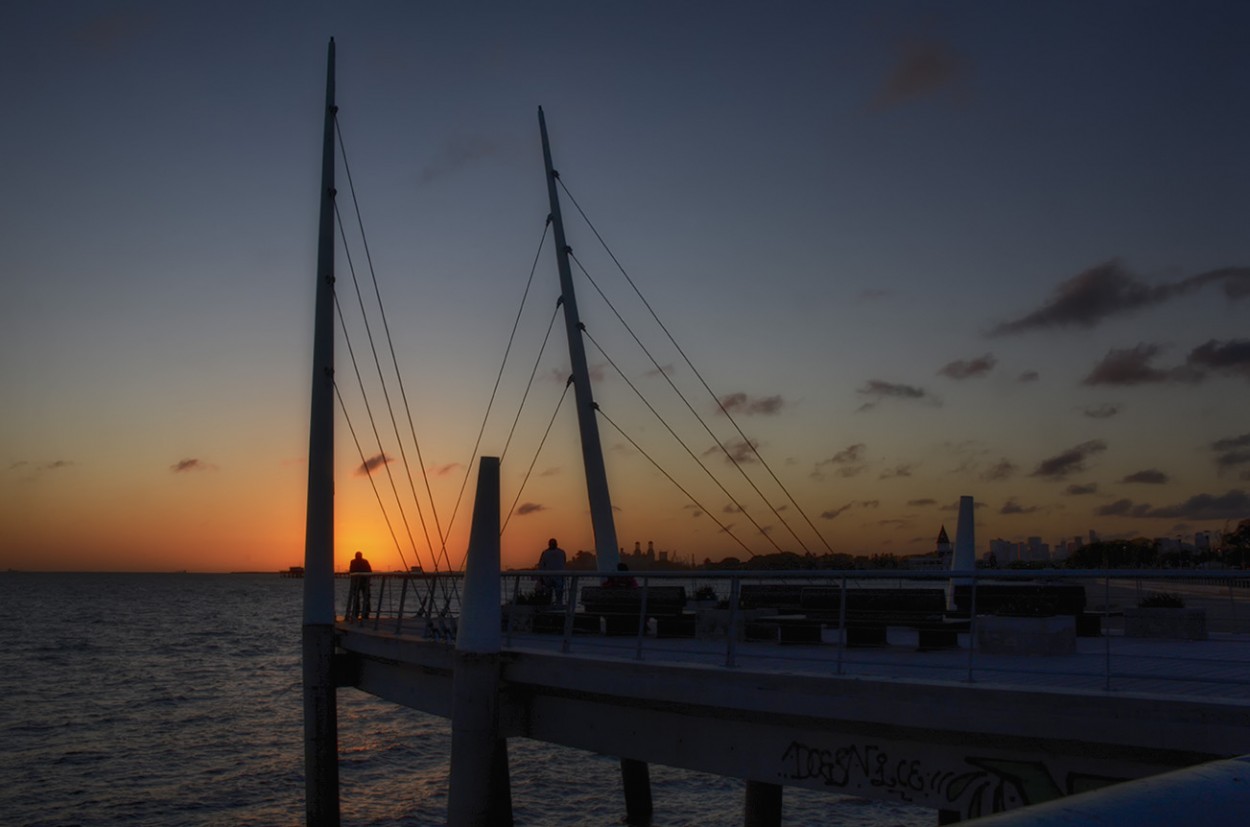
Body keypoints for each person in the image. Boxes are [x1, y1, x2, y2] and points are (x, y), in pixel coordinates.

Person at [537, 538, 566, 605]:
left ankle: (553, 605)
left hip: (554, 577)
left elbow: (541, 565)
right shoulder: (561, 552)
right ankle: (556, 605)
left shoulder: (545, 553)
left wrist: (540, 577)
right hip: (552, 577)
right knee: (554, 594)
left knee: (555, 594)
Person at [348, 550, 372, 621]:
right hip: (364, 582)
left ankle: (356, 613)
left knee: (357, 598)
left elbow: (351, 571)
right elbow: (369, 571)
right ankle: (365, 613)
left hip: (358, 582)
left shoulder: (353, 562)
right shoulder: (365, 562)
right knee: (365, 598)